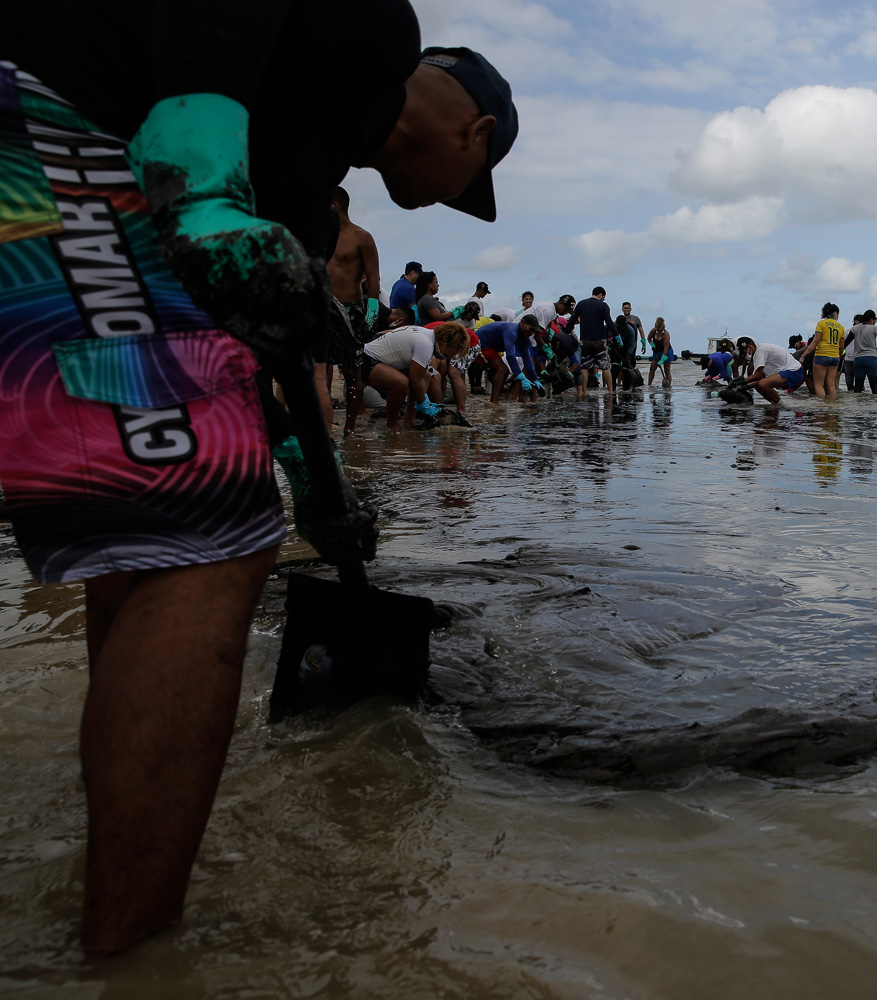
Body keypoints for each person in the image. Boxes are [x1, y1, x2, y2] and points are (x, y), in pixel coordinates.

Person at [0, 5, 518, 955]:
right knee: (206, 549)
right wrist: (201, 186)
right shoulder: (377, 37)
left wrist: (304, 467)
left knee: (150, 541)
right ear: (473, 135)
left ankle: (118, 881)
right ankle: (134, 953)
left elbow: (261, 332)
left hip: (58, 151)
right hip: (63, 128)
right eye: (469, 188)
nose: (447, 202)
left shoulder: (300, 149)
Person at [329, 185, 382, 433]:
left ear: (334, 205)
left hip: (351, 310)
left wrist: (370, 319)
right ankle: (326, 423)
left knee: (353, 373)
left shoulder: (361, 237)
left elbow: (374, 283)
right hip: (323, 307)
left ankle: (350, 429)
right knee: (321, 367)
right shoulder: (320, 237)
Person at [362, 321, 472, 427]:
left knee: (426, 376)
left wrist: (423, 400)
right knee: (401, 383)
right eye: (451, 352)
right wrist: (424, 403)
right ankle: (392, 425)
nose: (449, 356)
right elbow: (414, 380)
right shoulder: (426, 344)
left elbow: (420, 377)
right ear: (445, 341)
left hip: (380, 360)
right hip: (366, 360)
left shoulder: (426, 334)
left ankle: (409, 421)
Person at [566, 286, 614, 394]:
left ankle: (583, 391)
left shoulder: (581, 304)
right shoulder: (603, 305)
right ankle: (610, 392)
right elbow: (609, 322)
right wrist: (616, 335)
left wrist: (566, 332)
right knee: (605, 366)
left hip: (585, 340)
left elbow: (572, 320)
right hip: (599, 341)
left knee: (584, 367)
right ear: (601, 295)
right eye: (603, 297)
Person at [737, 336, 805, 404]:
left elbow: (758, 375)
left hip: (794, 371)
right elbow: (760, 377)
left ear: (750, 347)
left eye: (743, 352)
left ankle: (781, 406)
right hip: (790, 372)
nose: (743, 355)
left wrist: (739, 382)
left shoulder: (760, 351)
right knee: (758, 386)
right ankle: (776, 404)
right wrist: (745, 387)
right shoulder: (757, 354)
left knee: (763, 384)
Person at [806, 302, 844, 399]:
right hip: (835, 356)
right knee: (830, 385)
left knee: (819, 384)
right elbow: (841, 347)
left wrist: (804, 355)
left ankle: (821, 408)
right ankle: (832, 408)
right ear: (835, 313)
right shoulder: (841, 327)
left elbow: (815, 341)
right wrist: (839, 357)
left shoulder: (821, 324)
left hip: (822, 355)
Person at [844, 311, 877, 393]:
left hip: (858, 360)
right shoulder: (873, 328)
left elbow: (845, 343)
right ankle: (876, 405)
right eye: (874, 320)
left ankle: (858, 405)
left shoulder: (855, 329)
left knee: (858, 388)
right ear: (871, 319)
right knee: (875, 388)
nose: (874, 322)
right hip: (871, 359)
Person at [647, 317, 674, 387]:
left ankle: (668, 386)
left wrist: (662, 360)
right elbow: (649, 338)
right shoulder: (653, 331)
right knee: (652, 368)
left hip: (667, 352)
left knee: (667, 371)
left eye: (661, 330)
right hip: (656, 351)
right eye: (658, 330)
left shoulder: (666, 334)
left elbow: (666, 348)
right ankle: (649, 385)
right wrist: (652, 345)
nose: (659, 332)